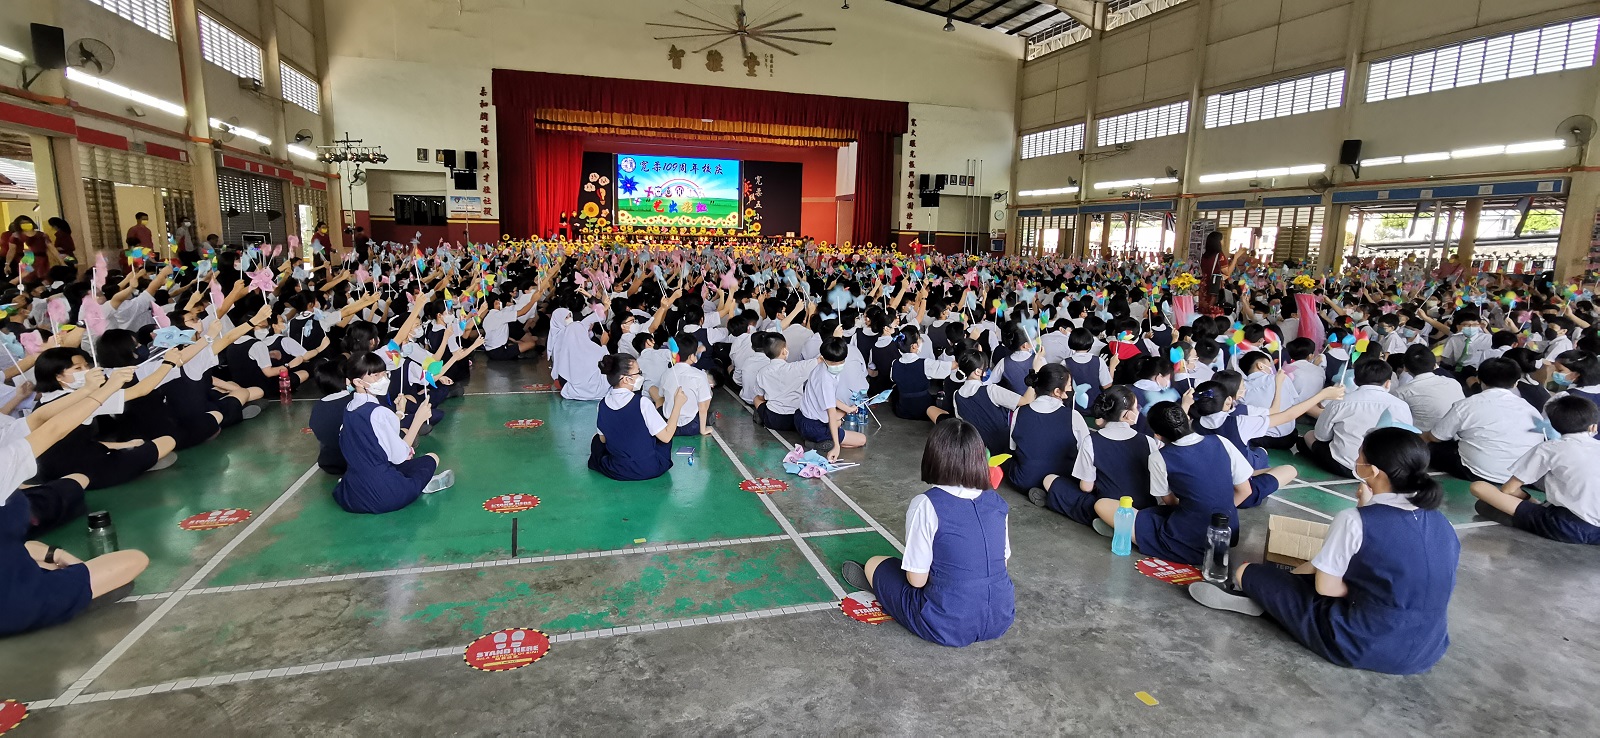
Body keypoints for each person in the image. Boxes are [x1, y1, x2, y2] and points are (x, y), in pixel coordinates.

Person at [1190, 428, 1459, 676]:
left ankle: (1266, 604)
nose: (1356, 458)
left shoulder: (1355, 520)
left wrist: (1368, 591)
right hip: (1427, 649)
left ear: (1374, 471)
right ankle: (1272, 602)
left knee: (1247, 571)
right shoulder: (1442, 523)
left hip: (1360, 642)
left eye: (1360, 454)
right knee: (1320, 571)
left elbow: (1327, 588)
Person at [839, 418, 1014, 648]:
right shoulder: (997, 502)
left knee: (875, 563)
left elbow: (917, 580)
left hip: (947, 623)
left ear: (934, 457)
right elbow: (1002, 561)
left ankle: (882, 590)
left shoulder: (927, 503)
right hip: (1001, 615)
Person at [1, 367, 149, 637]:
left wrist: (53, 554)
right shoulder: (3, 464)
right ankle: (71, 598)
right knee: (134, 560)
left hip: (12, 567)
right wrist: (107, 388)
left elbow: (37, 421)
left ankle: (55, 572)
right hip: (15, 606)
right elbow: (53, 427)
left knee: (34, 551)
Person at [1093, 401, 1252, 566]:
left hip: (1187, 542)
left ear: (1158, 435)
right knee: (1156, 513)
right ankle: (1128, 530)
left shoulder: (1159, 457)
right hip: (1227, 533)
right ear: (1188, 419)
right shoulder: (1221, 441)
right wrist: (1215, 513)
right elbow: (1245, 490)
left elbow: (1169, 502)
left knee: (1103, 505)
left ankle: (1126, 532)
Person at [332, 352, 454, 514]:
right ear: (358, 382)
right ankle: (420, 485)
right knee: (432, 458)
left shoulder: (349, 408)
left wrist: (400, 411)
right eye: (376, 376)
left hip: (353, 495)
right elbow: (399, 456)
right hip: (385, 495)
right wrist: (418, 419)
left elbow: (379, 429)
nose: (383, 380)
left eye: (384, 374)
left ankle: (417, 483)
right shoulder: (379, 412)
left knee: (385, 466)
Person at [1470, 395, 1600, 545]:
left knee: (1480, 492)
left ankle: (1530, 516)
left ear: (1555, 426)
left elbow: (1508, 489)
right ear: (1593, 427)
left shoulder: (1550, 448)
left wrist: (1530, 501)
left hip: (1567, 526)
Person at [1031, 386, 1158, 525]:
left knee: (1050, 479)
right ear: (1127, 415)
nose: (1138, 411)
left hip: (1103, 506)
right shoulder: (1149, 441)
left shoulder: (1092, 441)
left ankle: (1106, 522)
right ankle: (1118, 525)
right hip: (1142, 510)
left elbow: (1086, 487)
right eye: (1136, 408)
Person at [1424, 357, 1544, 484]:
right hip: (1521, 477)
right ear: (1516, 383)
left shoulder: (1467, 405)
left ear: (1480, 380)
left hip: (1478, 473)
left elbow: (1435, 437)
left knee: (1433, 447)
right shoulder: (1531, 409)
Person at [1298, 358, 1411, 477]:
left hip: (1343, 466)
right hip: (1383, 471)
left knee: (1309, 436)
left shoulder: (1341, 401)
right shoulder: (1402, 407)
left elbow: (1321, 436)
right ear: (1388, 383)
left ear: (1355, 380)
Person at [589, 354, 688, 482]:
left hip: (617, 469)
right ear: (626, 379)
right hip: (650, 468)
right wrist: (678, 405)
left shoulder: (602, 405)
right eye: (638, 372)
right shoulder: (642, 403)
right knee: (661, 434)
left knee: (597, 440)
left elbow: (603, 439)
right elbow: (667, 436)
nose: (641, 376)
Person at [1008, 364, 1089, 493]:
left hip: (1024, 481)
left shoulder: (1019, 412)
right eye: (1069, 386)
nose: (1071, 389)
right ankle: (1050, 495)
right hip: (1059, 482)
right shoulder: (1073, 416)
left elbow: (1013, 447)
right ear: (1057, 391)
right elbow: (1087, 453)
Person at [797, 337, 866, 461]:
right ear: (823, 358)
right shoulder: (825, 380)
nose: (838, 366)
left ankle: (821, 438)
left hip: (801, 417)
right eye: (834, 363)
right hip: (813, 426)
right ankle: (820, 442)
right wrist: (836, 447)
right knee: (861, 439)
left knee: (841, 417)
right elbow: (831, 412)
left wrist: (847, 408)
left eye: (841, 361)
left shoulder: (823, 368)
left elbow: (829, 398)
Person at [656, 332, 714, 435]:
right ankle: (704, 422)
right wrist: (703, 430)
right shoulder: (700, 375)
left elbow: (661, 396)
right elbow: (702, 406)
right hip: (691, 426)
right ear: (692, 356)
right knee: (708, 394)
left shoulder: (666, 373)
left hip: (668, 425)